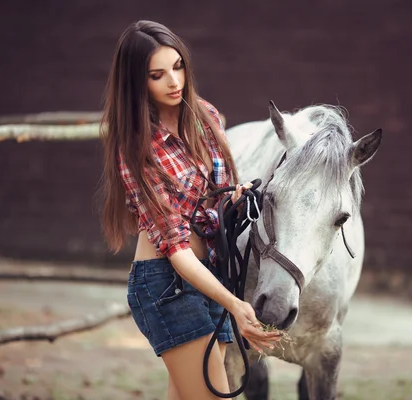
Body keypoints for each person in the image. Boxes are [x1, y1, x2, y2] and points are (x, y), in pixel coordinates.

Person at [99, 21, 280, 399]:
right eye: (157, 74)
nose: (173, 81)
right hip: (165, 283)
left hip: (211, 275)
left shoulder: (206, 116)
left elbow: (212, 198)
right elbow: (177, 250)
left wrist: (232, 199)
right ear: (137, 82)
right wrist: (234, 303)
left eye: (178, 66)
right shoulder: (136, 148)